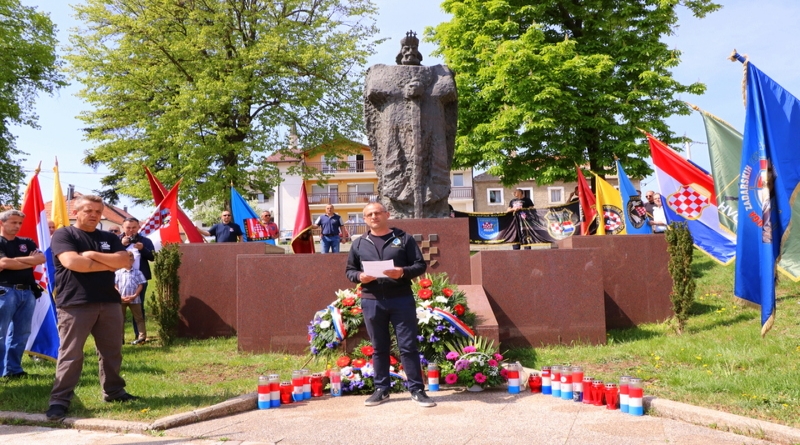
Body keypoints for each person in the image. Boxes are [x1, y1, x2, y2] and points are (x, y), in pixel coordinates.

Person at [46, 195, 137, 422]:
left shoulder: (108, 236)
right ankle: (59, 400)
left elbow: (126, 262)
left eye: (98, 212)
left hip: (109, 302)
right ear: (76, 212)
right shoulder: (64, 234)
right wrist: (108, 262)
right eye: (88, 211)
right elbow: (73, 263)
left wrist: (92, 256)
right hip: (75, 303)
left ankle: (114, 392)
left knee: (111, 352)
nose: (94, 215)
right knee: (71, 354)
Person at [345, 202, 434, 407]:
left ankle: (417, 390)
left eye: (377, 213)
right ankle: (381, 389)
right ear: (365, 219)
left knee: (408, 346)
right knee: (379, 347)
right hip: (372, 301)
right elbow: (350, 271)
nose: (374, 217)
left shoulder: (404, 239)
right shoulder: (359, 243)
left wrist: (402, 272)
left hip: (401, 299)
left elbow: (420, 265)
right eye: (369, 214)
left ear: (387, 214)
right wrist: (360, 276)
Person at [364, 31, 457, 218]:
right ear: (400, 52)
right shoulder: (384, 72)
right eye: (406, 49)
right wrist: (403, 90)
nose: (410, 52)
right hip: (395, 129)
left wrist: (424, 89)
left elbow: (448, 91)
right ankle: (401, 206)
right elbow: (374, 89)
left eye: (413, 49)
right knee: (395, 162)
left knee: (435, 162)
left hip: (432, 128)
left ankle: (432, 206)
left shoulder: (438, 72)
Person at [0, 209, 46, 378]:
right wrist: (29, 260)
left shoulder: (26, 242)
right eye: (13, 222)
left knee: (21, 333)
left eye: (20, 223)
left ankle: (13, 370)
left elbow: (41, 259)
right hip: (4, 291)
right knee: (1, 333)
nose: (17, 226)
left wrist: (11, 262)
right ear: (2, 223)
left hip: (27, 293)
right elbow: (2, 262)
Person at [119, 217, 155, 339]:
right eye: (128, 227)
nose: (131, 230)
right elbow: (109, 255)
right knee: (118, 308)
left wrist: (142, 249)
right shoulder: (116, 240)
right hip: (120, 280)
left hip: (140, 280)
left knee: (138, 308)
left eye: (134, 227)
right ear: (123, 228)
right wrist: (121, 245)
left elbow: (152, 257)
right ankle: (119, 337)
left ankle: (139, 335)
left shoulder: (145, 240)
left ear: (139, 227)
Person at [115, 251, 147, 345]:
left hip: (135, 299)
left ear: (133, 261)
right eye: (126, 260)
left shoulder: (137, 272)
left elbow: (140, 285)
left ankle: (142, 337)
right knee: (120, 319)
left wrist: (134, 295)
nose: (129, 262)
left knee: (139, 318)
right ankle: (120, 339)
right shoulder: (118, 273)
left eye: (131, 260)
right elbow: (115, 285)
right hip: (121, 299)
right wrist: (120, 295)